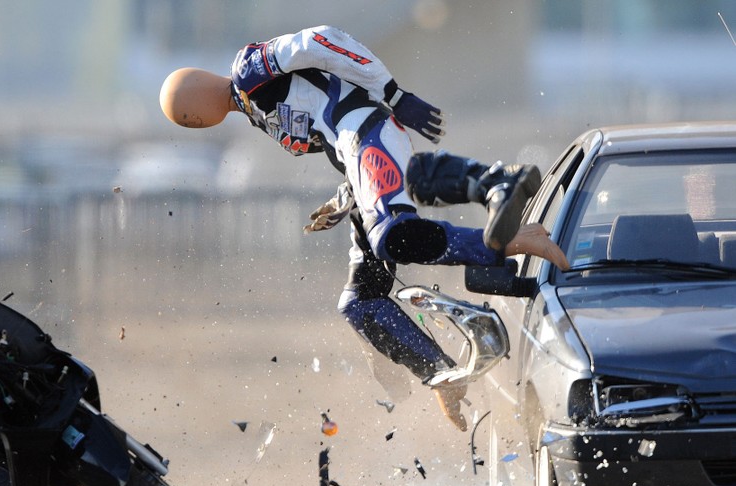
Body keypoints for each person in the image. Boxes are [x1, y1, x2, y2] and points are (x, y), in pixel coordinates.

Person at [159, 25, 569, 431]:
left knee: (395, 236)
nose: (192, 122)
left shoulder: (249, 70)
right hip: (355, 160)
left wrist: (392, 93)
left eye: (186, 114)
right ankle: (440, 373)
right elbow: (327, 134)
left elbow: (319, 41)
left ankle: (506, 212)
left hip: (369, 132)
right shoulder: (255, 112)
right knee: (360, 302)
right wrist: (345, 198)